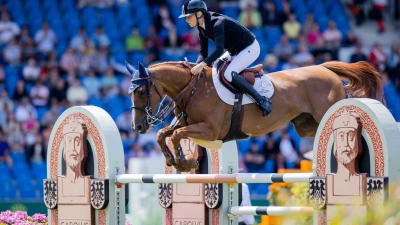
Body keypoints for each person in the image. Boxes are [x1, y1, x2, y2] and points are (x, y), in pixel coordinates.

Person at [178, 0, 271, 116]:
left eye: (188, 16)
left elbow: (218, 50)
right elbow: (203, 53)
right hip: (235, 51)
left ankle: (261, 99)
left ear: (199, 14)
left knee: (229, 73)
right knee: (214, 69)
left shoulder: (217, 22)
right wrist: (195, 66)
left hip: (250, 48)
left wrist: (201, 65)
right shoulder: (201, 27)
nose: (186, 20)